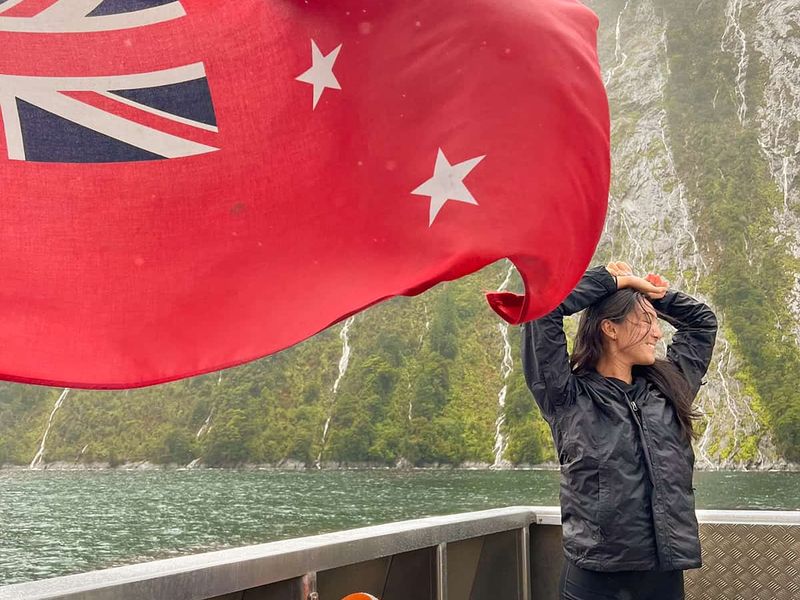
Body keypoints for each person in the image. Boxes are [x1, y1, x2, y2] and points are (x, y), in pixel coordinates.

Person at [522, 261, 717, 600]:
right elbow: (543, 312)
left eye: (657, 323)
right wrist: (611, 282)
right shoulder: (569, 397)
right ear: (610, 329)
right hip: (596, 579)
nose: (657, 333)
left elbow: (702, 324)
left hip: (664, 577)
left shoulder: (668, 391)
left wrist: (653, 296)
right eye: (646, 321)